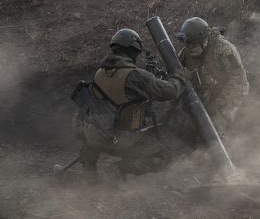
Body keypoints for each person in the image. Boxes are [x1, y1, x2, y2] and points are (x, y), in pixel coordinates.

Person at [72, 28, 185, 181]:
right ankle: (119, 169)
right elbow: (170, 91)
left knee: (98, 122)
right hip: (122, 141)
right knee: (165, 156)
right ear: (133, 50)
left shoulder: (99, 73)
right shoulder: (136, 76)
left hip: (97, 137)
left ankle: (89, 169)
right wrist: (180, 77)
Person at [176, 17, 249, 141]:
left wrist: (216, 105)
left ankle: (225, 152)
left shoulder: (224, 49)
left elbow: (238, 80)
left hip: (230, 92)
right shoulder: (185, 54)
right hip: (207, 92)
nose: (189, 48)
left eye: (193, 44)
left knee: (213, 129)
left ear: (203, 40)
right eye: (187, 44)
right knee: (185, 126)